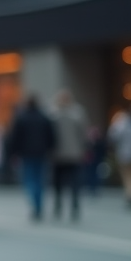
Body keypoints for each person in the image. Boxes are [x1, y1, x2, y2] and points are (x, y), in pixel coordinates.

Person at [6, 94, 56, 221]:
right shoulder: (44, 118)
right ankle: (38, 205)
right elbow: (51, 136)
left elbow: (15, 138)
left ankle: (35, 205)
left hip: (26, 153)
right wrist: (50, 149)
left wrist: (13, 153)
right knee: (39, 179)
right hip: (41, 152)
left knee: (29, 179)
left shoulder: (22, 118)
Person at [50, 89, 89, 221]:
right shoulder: (77, 113)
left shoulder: (53, 113)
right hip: (72, 153)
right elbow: (83, 134)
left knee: (61, 182)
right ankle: (71, 205)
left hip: (61, 154)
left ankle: (63, 205)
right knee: (71, 182)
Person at [109, 103, 131, 208]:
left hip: (124, 153)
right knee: (127, 175)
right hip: (125, 154)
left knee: (127, 176)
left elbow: (113, 135)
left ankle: (128, 195)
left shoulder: (121, 120)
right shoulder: (121, 120)